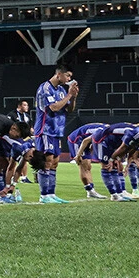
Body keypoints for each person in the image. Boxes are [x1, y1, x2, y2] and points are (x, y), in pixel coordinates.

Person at [33, 61, 80, 203]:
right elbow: (53, 107)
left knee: (55, 162)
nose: (69, 79)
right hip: (45, 130)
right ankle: (44, 195)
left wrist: (73, 96)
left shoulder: (61, 90)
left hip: (57, 131)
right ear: (59, 74)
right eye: (67, 76)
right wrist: (68, 95)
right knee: (47, 161)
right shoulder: (45, 88)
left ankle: (51, 194)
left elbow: (69, 110)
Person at [0, 113, 36, 203]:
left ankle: (5, 195)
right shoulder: (19, 147)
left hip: (2, 139)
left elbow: (18, 168)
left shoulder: (29, 151)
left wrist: (11, 186)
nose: (17, 137)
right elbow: (12, 167)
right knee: (0, 166)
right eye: (17, 136)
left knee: (5, 166)